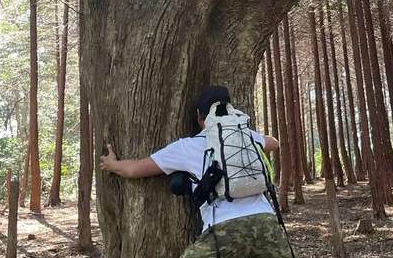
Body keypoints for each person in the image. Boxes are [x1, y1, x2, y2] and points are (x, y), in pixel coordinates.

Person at [100, 85, 294, 258]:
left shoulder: (187, 147)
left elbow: (133, 170)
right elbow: (274, 143)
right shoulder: (249, 137)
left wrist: (112, 164)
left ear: (199, 116)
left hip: (224, 229)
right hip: (267, 223)